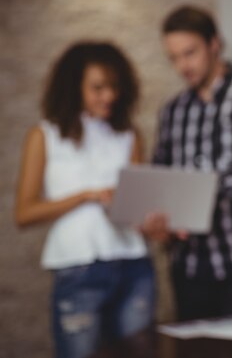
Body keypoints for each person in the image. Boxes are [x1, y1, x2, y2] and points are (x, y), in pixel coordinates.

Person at [14, 41, 155, 358]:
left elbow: (139, 210)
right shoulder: (45, 136)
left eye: (114, 87)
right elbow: (24, 213)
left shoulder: (129, 136)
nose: (109, 96)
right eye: (98, 87)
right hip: (78, 269)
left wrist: (152, 219)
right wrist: (87, 196)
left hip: (133, 265)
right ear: (73, 86)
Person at [145, 5, 232, 320]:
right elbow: (159, 175)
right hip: (188, 266)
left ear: (214, 44)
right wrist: (157, 216)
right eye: (174, 58)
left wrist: (197, 189)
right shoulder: (172, 110)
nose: (182, 66)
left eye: (189, 53)